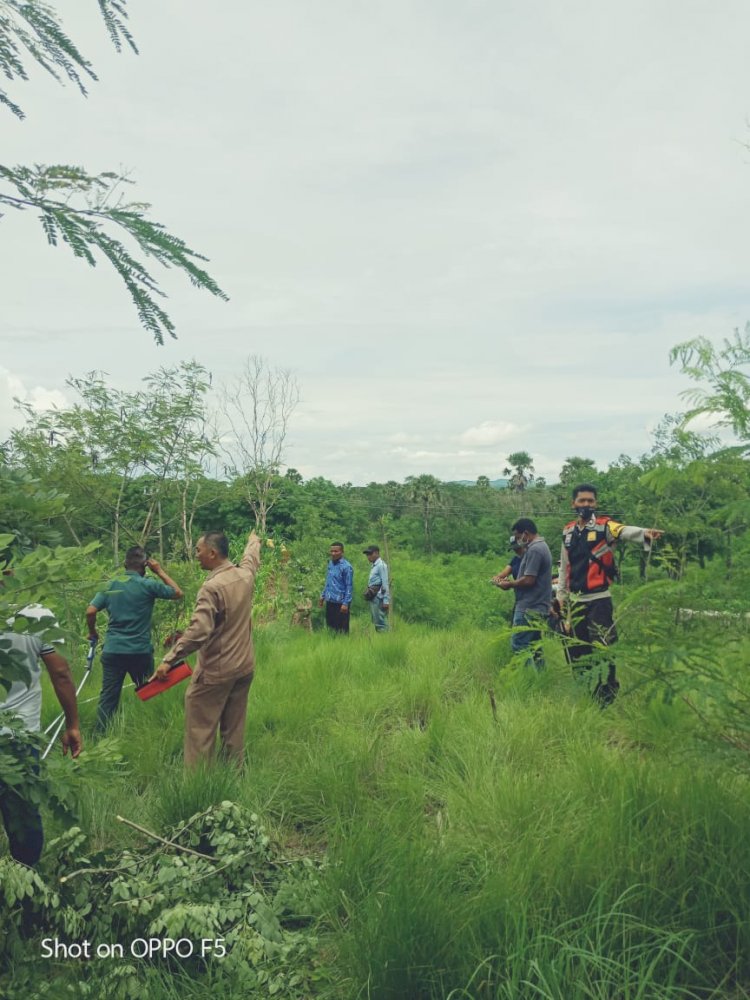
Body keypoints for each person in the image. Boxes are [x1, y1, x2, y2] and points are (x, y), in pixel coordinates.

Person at [154, 529, 261, 768]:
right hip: (244, 667)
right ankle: (234, 774)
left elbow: (199, 632)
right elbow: (251, 557)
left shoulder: (211, 587)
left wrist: (169, 659)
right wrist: (253, 540)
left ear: (212, 553)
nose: (196, 554)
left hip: (216, 672)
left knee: (199, 730)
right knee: (234, 729)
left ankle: (198, 786)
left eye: (198, 550)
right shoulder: (245, 576)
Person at [555, 483, 663, 705]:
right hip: (574, 602)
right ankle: (586, 692)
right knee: (578, 649)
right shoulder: (567, 532)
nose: (586, 505)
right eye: (582, 501)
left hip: (598, 601)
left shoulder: (605, 526)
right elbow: (564, 568)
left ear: (596, 503)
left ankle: (607, 697)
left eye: (590, 501)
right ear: (573, 503)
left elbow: (623, 530)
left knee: (602, 649)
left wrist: (645, 533)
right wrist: (561, 601)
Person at [0, 606, 81, 866]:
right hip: (18, 739)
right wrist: (73, 724)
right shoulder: (34, 613)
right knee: (23, 820)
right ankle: (27, 889)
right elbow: (60, 672)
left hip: (17, 737)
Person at [86, 547, 183, 733]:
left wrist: (93, 632)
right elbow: (177, 593)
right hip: (140, 651)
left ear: (124, 564)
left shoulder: (111, 585)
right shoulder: (148, 585)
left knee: (108, 698)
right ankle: (150, 731)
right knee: (149, 692)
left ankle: (99, 737)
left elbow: (90, 611)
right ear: (145, 566)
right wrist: (160, 571)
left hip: (113, 651)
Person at [496, 518, 552, 670]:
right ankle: (541, 679)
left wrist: (510, 584)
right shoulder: (541, 547)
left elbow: (529, 580)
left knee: (519, 644)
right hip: (538, 606)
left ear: (526, 534)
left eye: (518, 536)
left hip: (529, 606)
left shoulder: (535, 549)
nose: (518, 541)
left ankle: (529, 679)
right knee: (535, 647)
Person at [319, 542, 353, 635]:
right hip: (330, 600)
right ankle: (332, 645)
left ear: (342, 552)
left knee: (342, 629)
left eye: (336, 551)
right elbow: (328, 581)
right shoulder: (330, 564)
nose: (333, 553)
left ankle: (344, 646)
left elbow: (349, 586)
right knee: (330, 627)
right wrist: (322, 596)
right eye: (332, 551)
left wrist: (346, 603)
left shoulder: (347, 567)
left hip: (341, 603)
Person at [492, 534, 526, 622]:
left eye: (517, 548)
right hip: (519, 597)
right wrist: (497, 580)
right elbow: (502, 574)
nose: (516, 550)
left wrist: (510, 583)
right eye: (514, 548)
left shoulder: (530, 558)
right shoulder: (515, 560)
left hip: (530, 598)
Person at [362, 545, 390, 632]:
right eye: (367, 554)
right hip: (374, 596)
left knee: (380, 621)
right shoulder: (374, 565)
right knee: (376, 620)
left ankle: (385, 640)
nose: (368, 556)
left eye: (370, 554)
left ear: (377, 553)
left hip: (379, 597)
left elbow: (385, 583)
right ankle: (382, 639)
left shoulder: (381, 565)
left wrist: (386, 600)